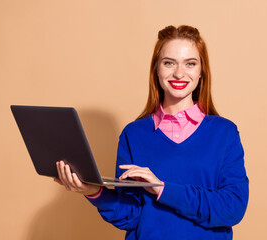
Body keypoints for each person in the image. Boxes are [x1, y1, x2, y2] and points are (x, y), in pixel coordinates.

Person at [54, 25, 249, 240]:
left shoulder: (225, 133)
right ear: (156, 69)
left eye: (190, 64)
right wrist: (94, 191)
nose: (179, 73)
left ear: (202, 71)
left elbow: (232, 208)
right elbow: (131, 217)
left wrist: (162, 189)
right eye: (169, 63)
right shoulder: (133, 135)